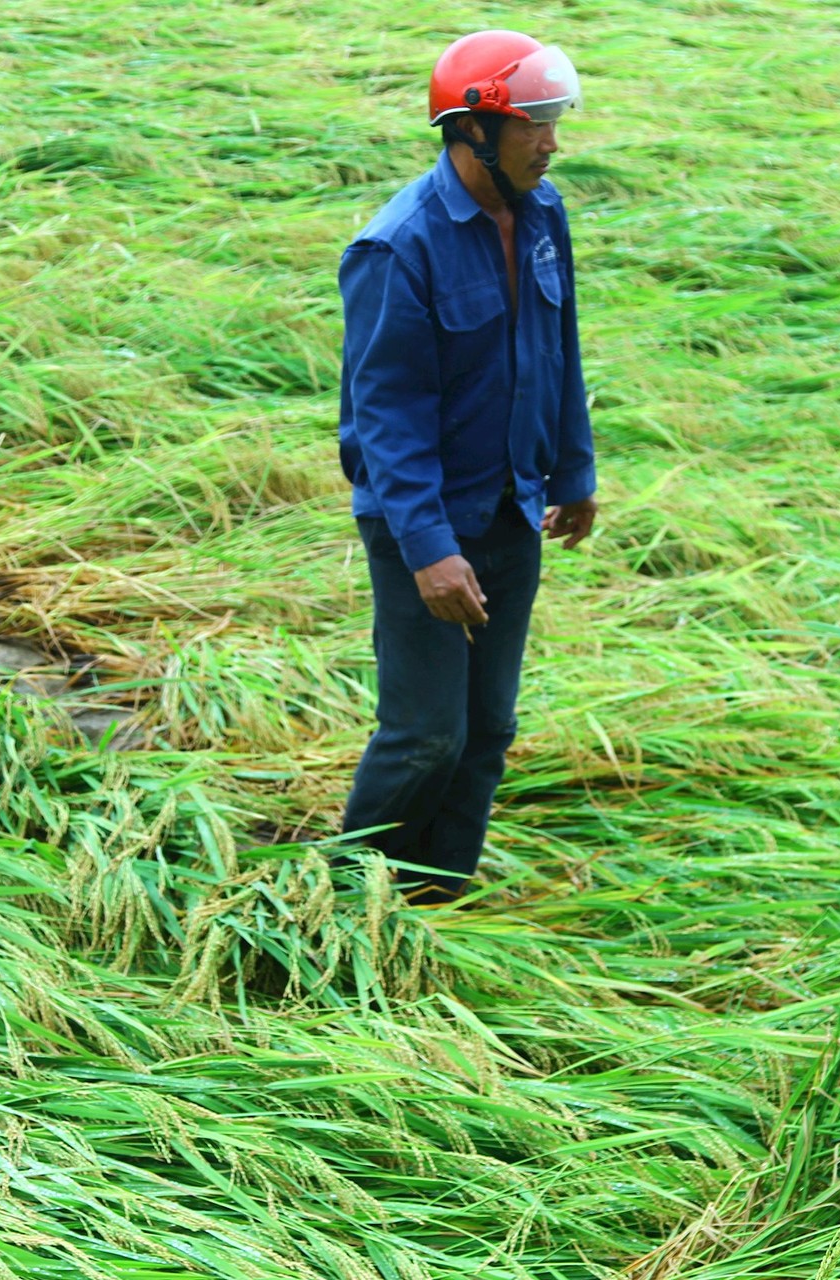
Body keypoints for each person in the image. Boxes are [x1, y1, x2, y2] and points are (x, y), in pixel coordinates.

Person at [337, 30, 598, 904]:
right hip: (424, 526)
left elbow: (555, 349)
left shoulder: (544, 213)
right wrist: (427, 549)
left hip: (513, 511)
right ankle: (344, 902)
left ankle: (433, 903)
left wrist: (573, 472)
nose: (551, 141)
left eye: (554, 122)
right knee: (424, 734)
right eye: (535, 124)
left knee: (486, 730)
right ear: (474, 129)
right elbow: (385, 417)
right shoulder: (397, 248)